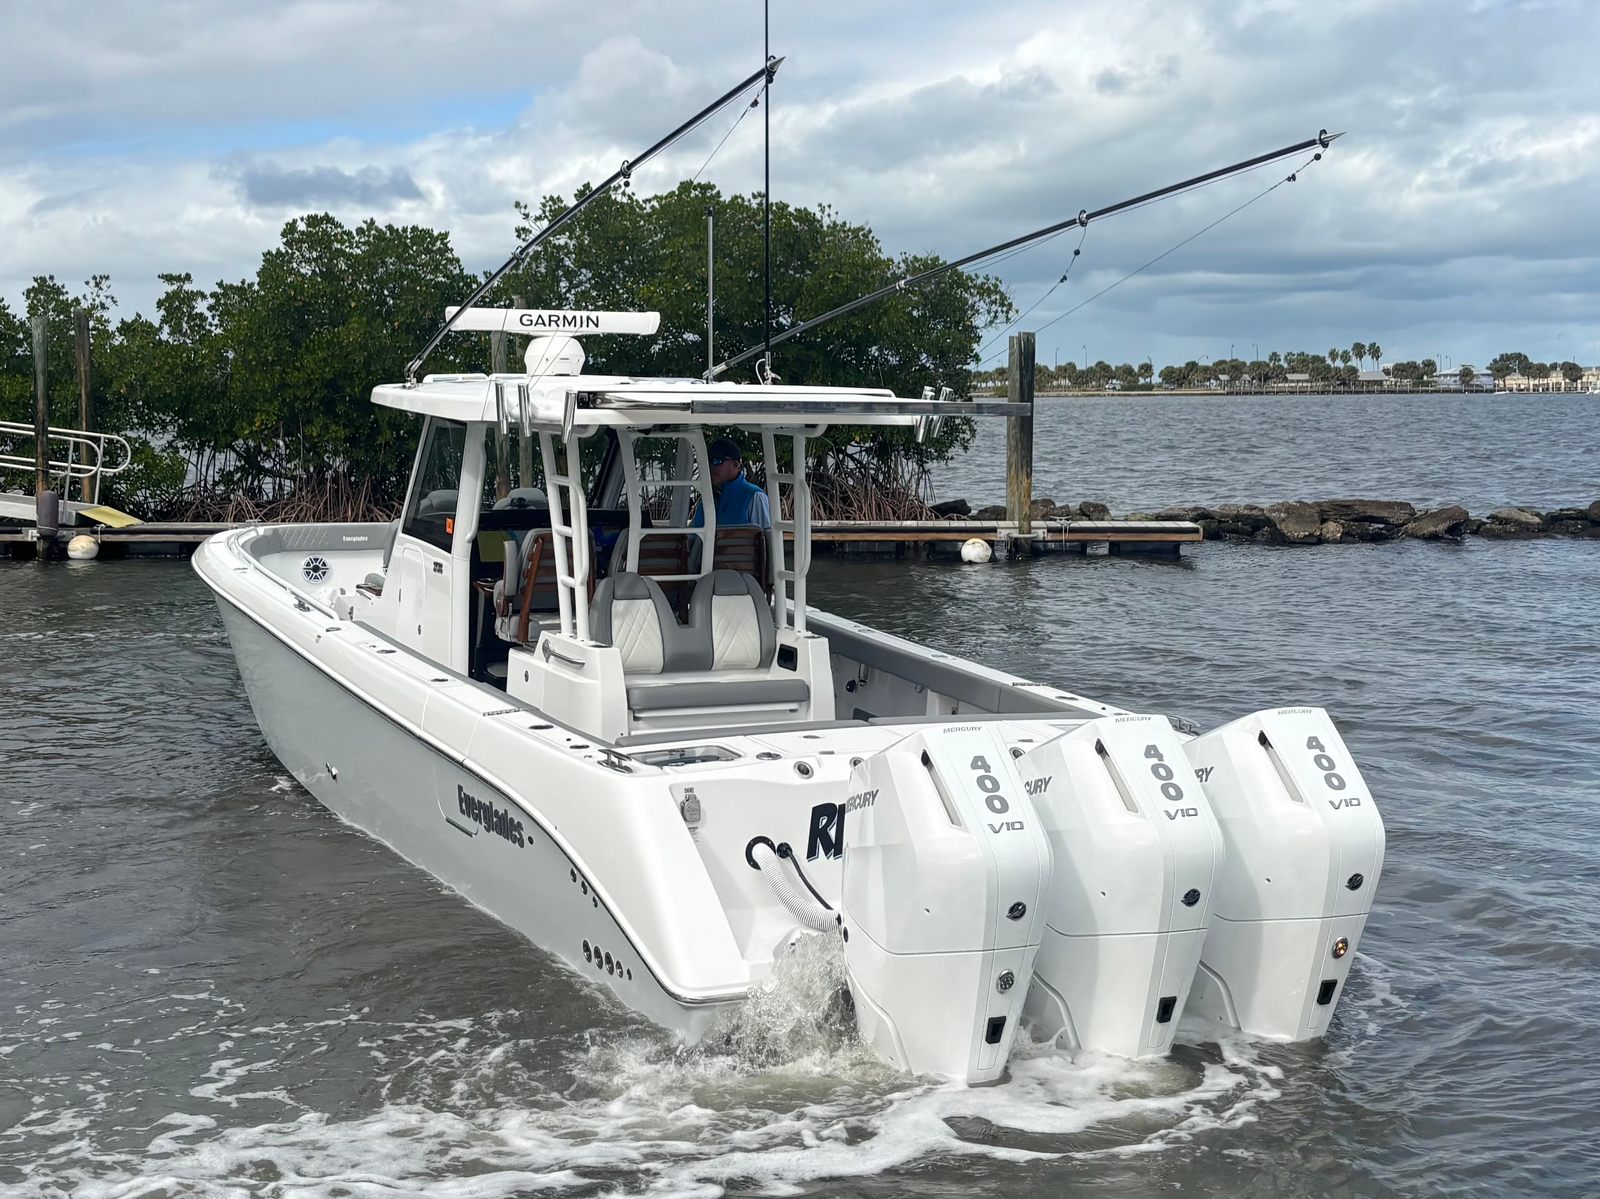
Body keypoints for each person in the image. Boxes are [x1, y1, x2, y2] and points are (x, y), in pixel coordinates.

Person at [692, 437, 771, 529]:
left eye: (717, 460)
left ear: (736, 464)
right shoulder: (706, 502)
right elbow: (693, 535)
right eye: (708, 461)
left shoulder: (755, 497)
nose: (711, 466)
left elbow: (767, 536)